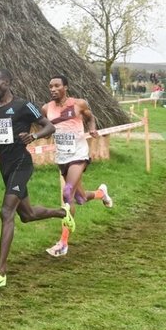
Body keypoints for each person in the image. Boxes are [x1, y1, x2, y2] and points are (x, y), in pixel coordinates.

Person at [0, 69, 75, 290]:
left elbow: (49, 126)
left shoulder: (23, 105)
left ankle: (0, 272)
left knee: (6, 212)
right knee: (27, 215)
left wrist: (34, 136)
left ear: (7, 82)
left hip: (21, 164)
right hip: (6, 168)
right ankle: (62, 212)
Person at [42, 74, 113, 257]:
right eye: (51, 86)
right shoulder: (46, 108)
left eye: (57, 86)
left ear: (65, 87)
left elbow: (90, 118)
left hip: (79, 155)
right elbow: (45, 126)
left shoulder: (78, 104)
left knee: (67, 192)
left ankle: (63, 243)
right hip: (62, 157)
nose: (53, 89)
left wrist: (92, 128)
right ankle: (101, 193)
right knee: (80, 197)